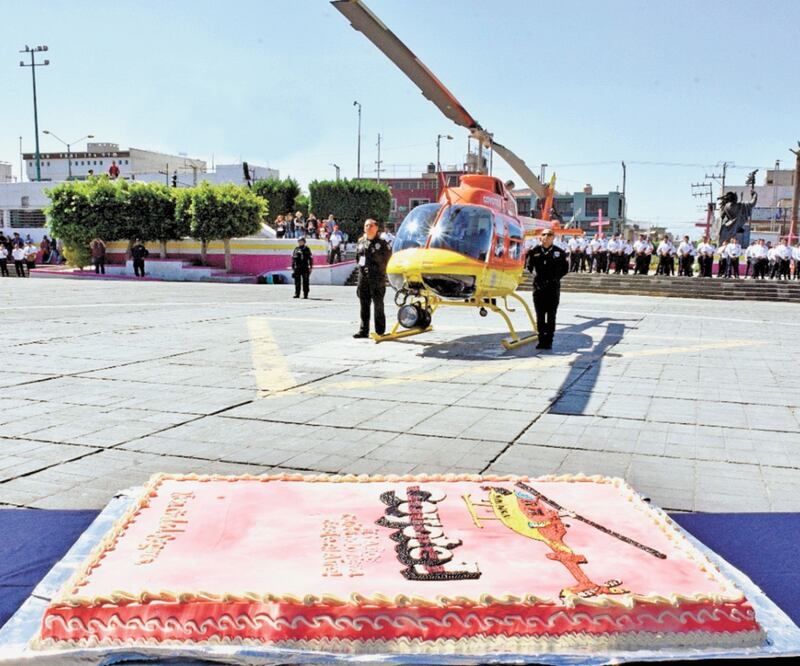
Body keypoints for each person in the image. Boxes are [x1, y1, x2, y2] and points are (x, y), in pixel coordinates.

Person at [525, 229, 568, 350]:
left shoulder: (559, 252)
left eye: (549, 234)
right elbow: (529, 266)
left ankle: (549, 340)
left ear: (553, 237)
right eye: (544, 234)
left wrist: (555, 278)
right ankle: (541, 340)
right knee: (540, 316)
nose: (546, 236)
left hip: (552, 288)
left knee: (551, 316)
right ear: (540, 237)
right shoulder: (534, 252)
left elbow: (565, 268)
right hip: (539, 288)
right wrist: (536, 276)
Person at [353, 219, 392, 338]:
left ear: (376, 228)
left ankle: (380, 331)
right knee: (364, 305)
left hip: (377, 278)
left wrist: (380, 271)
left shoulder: (382, 243)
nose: (368, 228)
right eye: (366, 226)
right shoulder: (361, 242)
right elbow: (358, 258)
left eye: (371, 226)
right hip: (363, 278)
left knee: (378, 305)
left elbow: (388, 259)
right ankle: (363, 330)